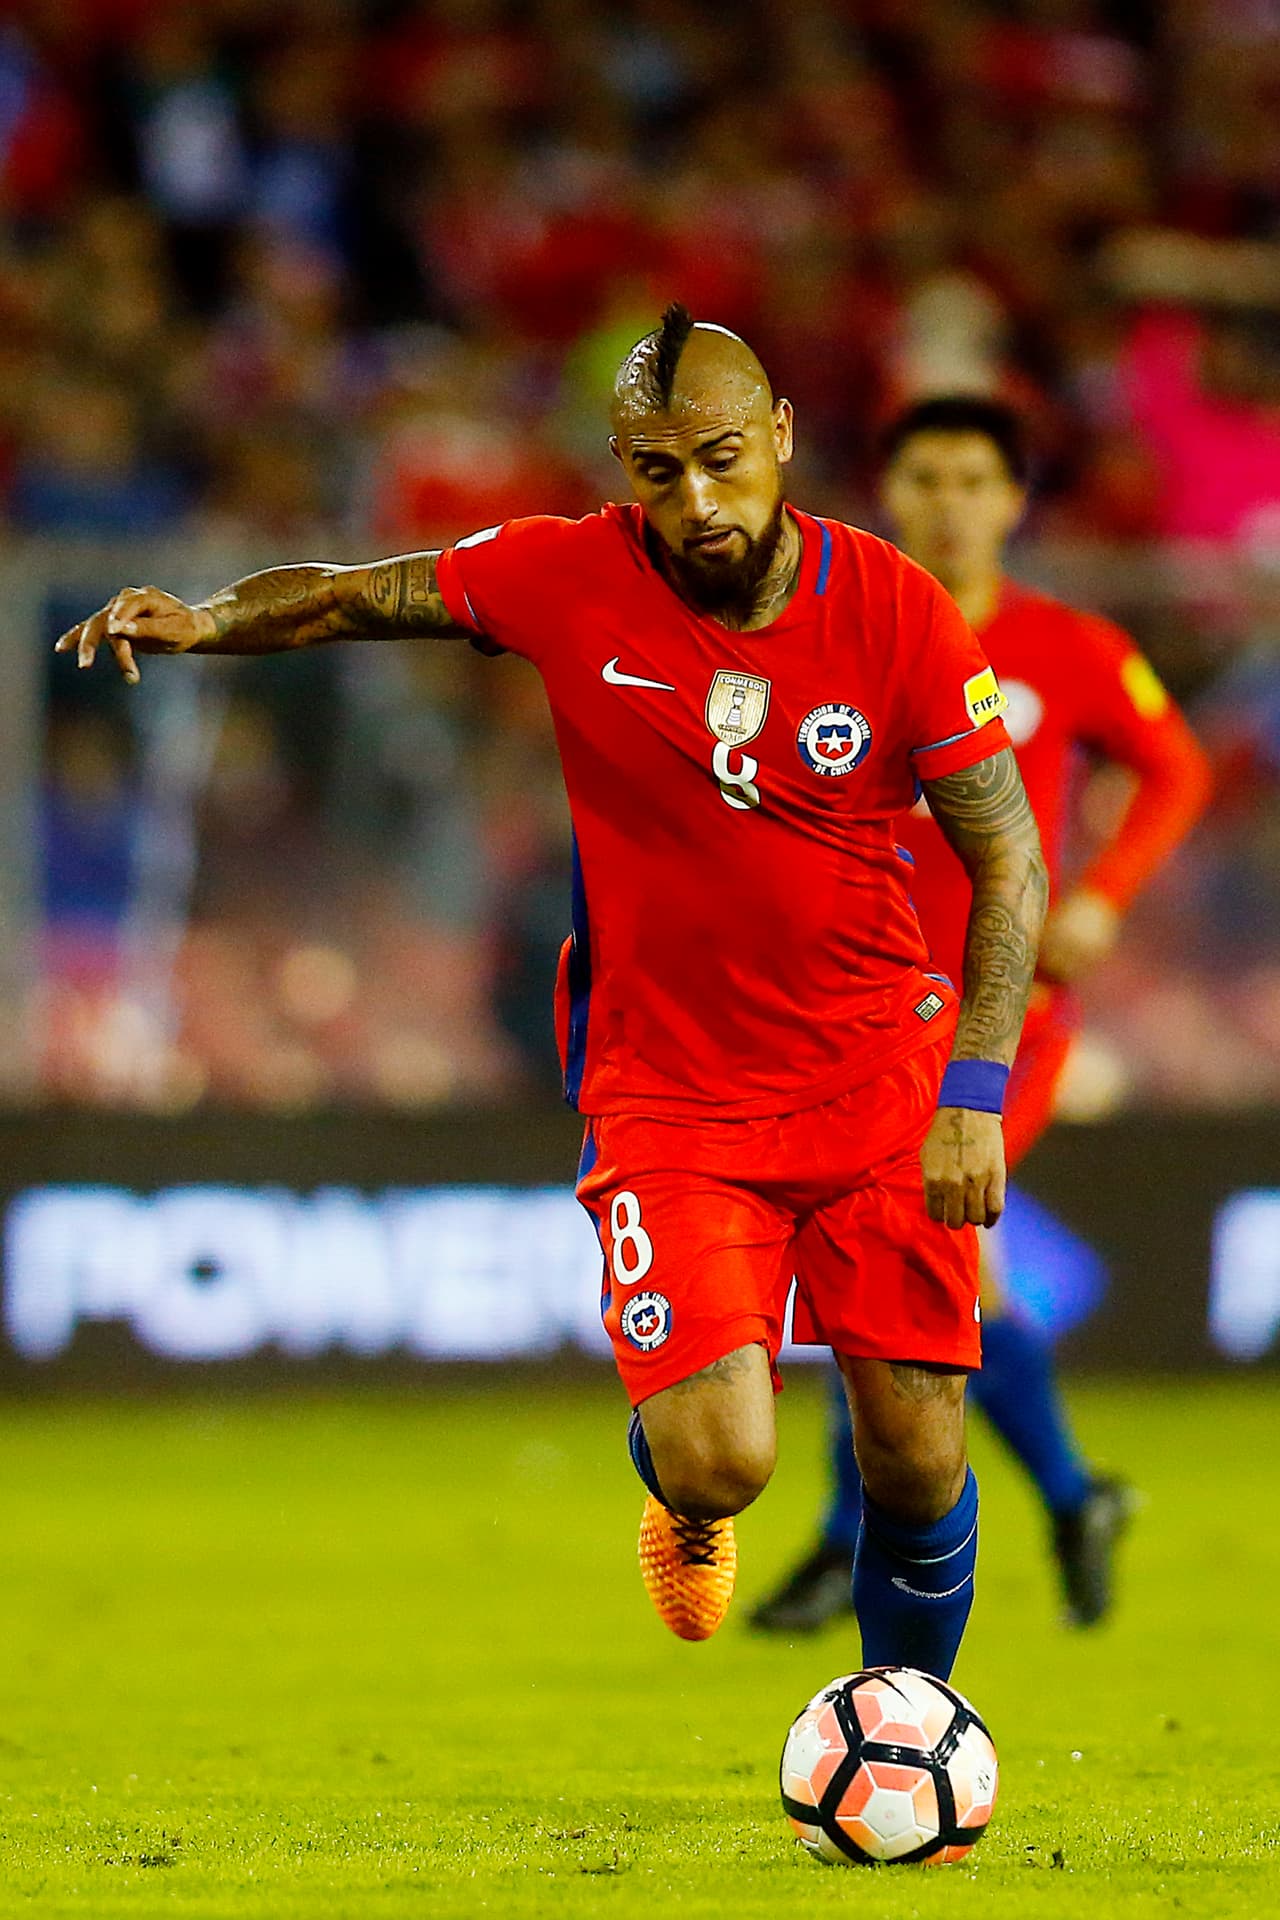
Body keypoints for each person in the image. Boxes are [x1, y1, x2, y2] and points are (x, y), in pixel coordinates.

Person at [59, 307, 1047, 1682]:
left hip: (881, 1078)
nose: (695, 503)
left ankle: (907, 1723)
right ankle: (682, 1499)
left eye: (719, 460)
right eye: (657, 472)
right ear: (624, 470)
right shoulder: (568, 577)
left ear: (779, 439)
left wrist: (976, 1094)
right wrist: (213, 618)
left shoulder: (897, 611)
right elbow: (360, 590)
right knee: (723, 1462)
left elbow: (1009, 865)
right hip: (673, 1094)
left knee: (920, 1455)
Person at [750, 395, 1211, 1636]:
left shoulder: (1068, 646)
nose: (947, 503)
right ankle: (1045, 1502)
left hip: (1003, 1019)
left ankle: (908, 1527)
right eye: (924, 478)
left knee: (917, 1252)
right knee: (895, 1272)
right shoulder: (841, 636)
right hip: (856, 1012)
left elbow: (1175, 769)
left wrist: (1103, 895)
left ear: (1012, 502)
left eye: (971, 480)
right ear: (887, 495)